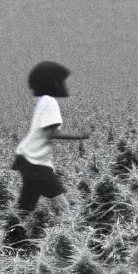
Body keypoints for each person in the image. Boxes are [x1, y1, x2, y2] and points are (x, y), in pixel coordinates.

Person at [12, 61, 89, 213]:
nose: (63, 84)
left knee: (26, 206)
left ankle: (13, 231)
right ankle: (70, 230)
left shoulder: (43, 100)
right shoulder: (49, 101)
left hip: (26, 158)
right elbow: (52, 133)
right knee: (62, 204)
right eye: (60, 80)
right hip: (35, 162)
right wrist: (81, 135)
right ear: (52, 81)